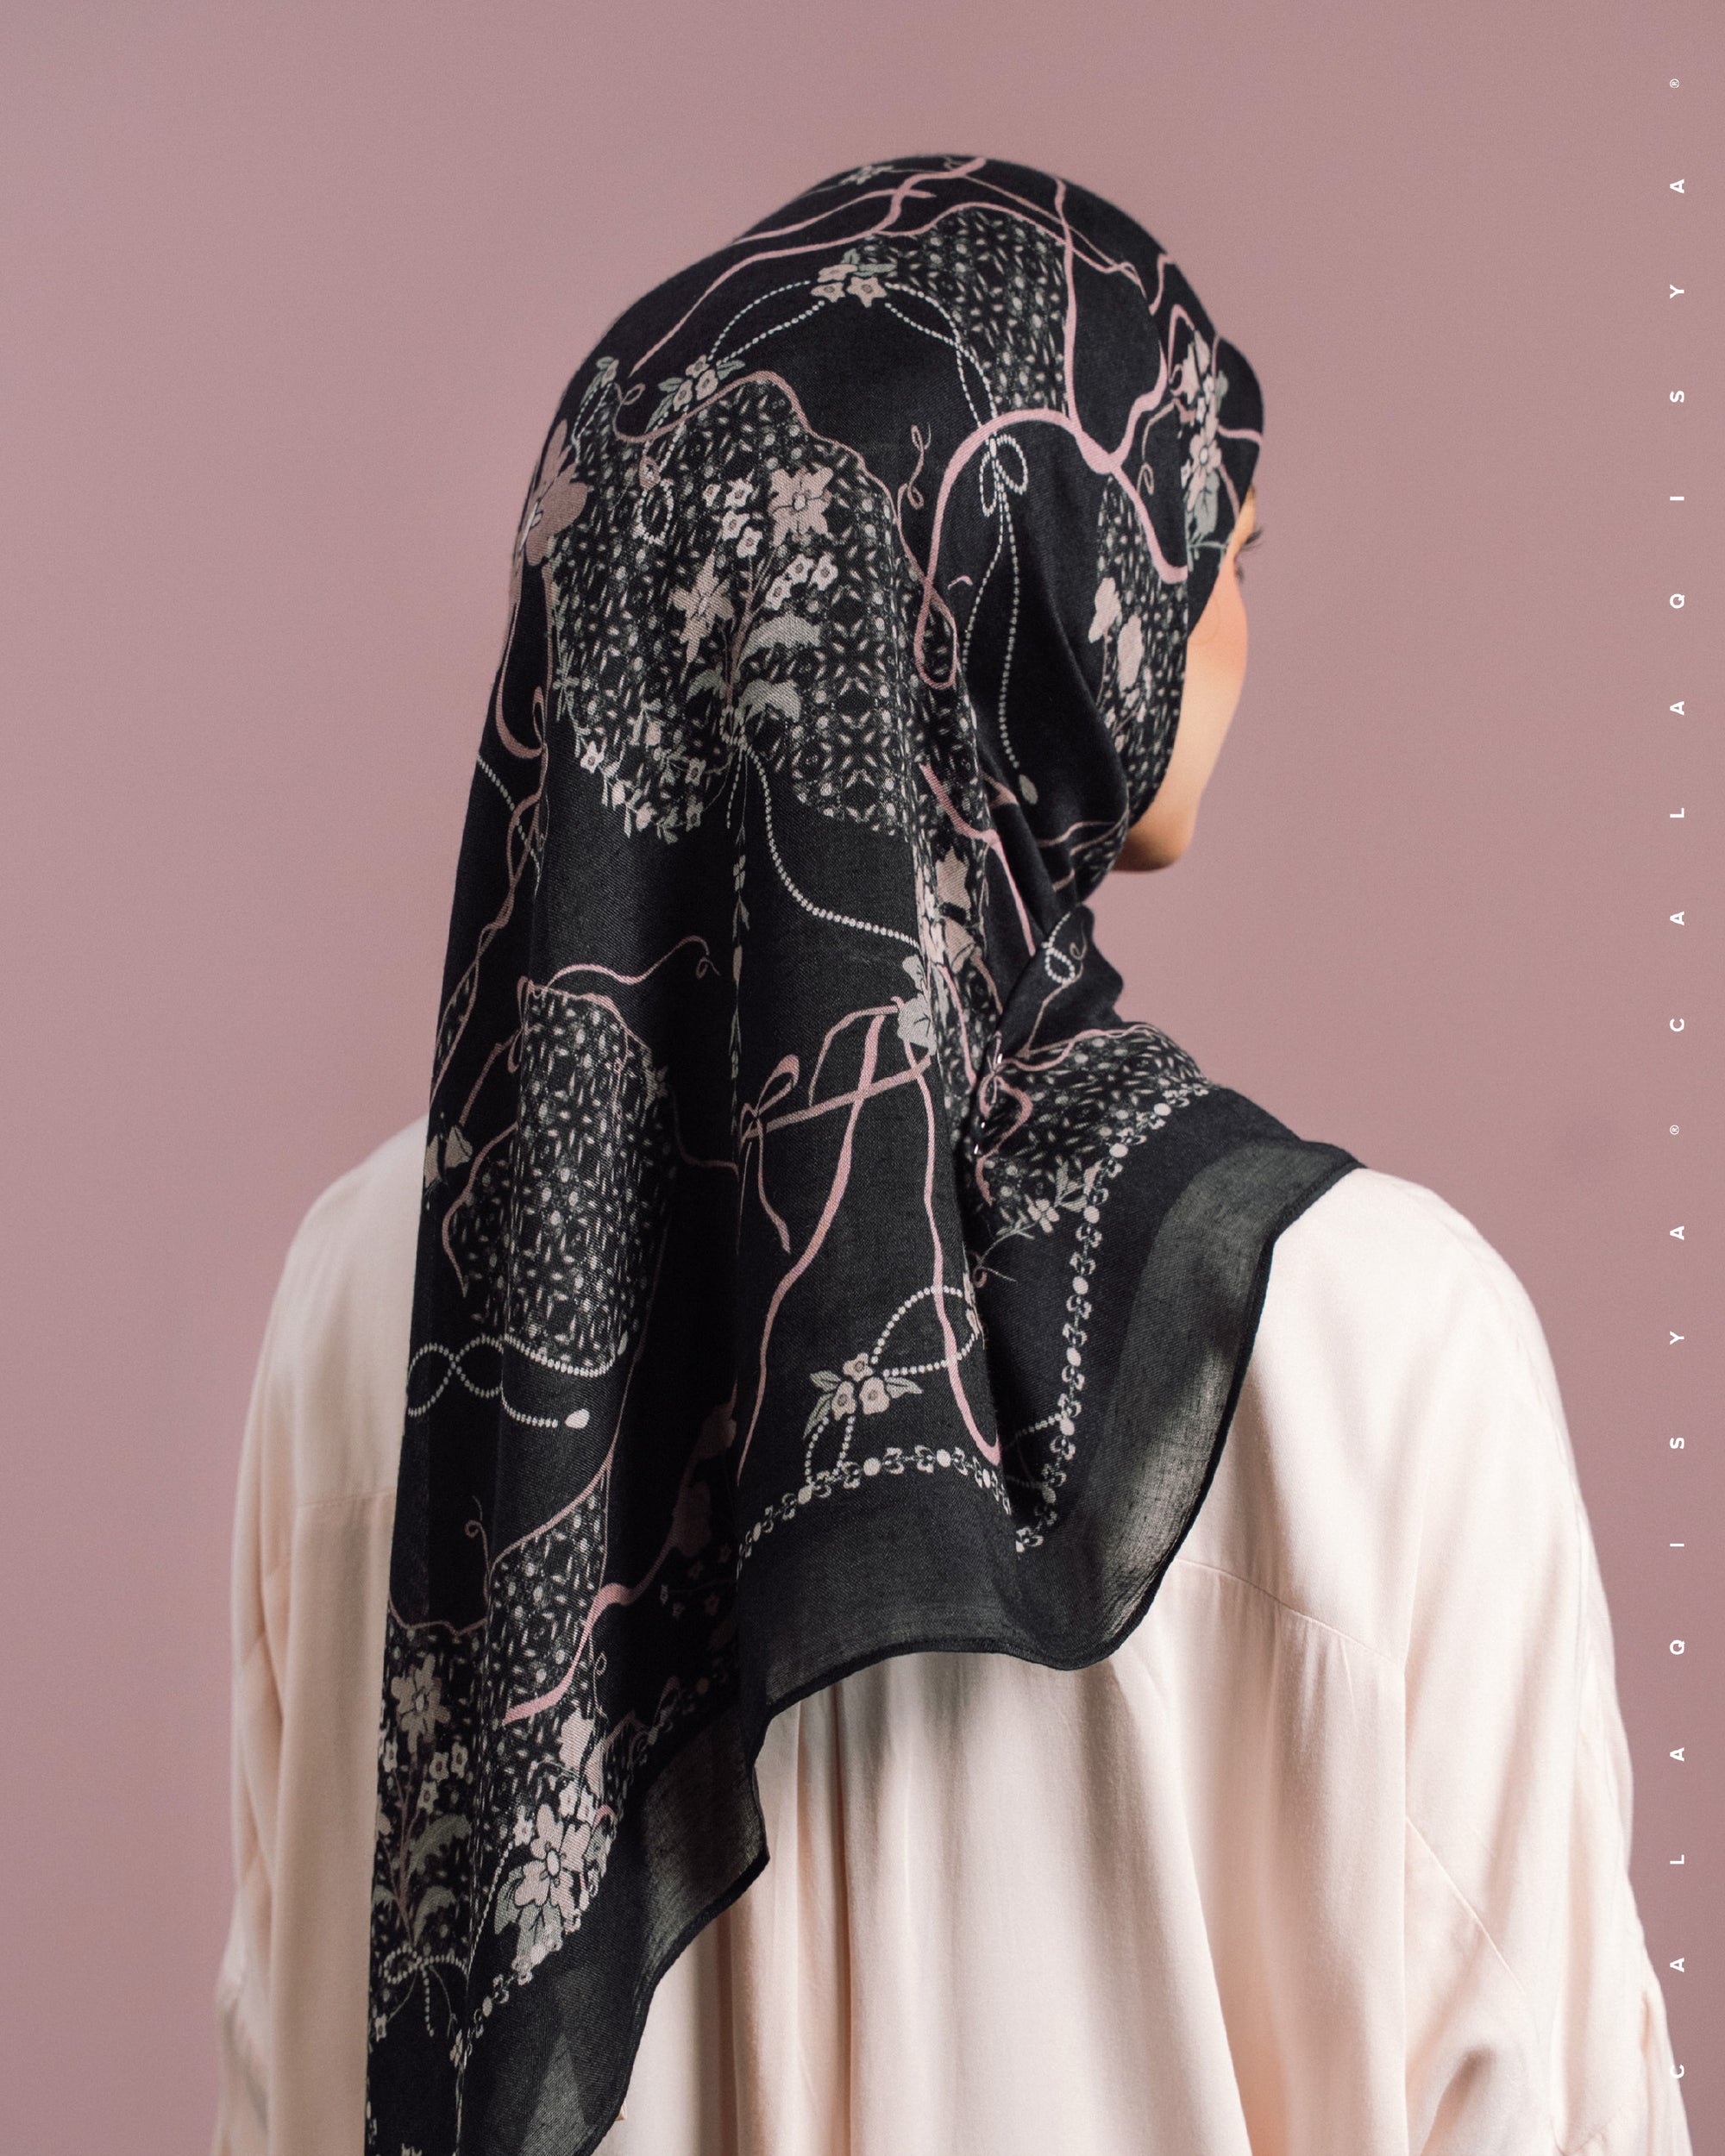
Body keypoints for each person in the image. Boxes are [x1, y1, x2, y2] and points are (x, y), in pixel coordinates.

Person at [215, 158, 1690, 2154]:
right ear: (1018, 582)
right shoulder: (1371, 1333)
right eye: (1182, 524)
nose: (1231, 581)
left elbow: (293, 2069)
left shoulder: (368, 1294)